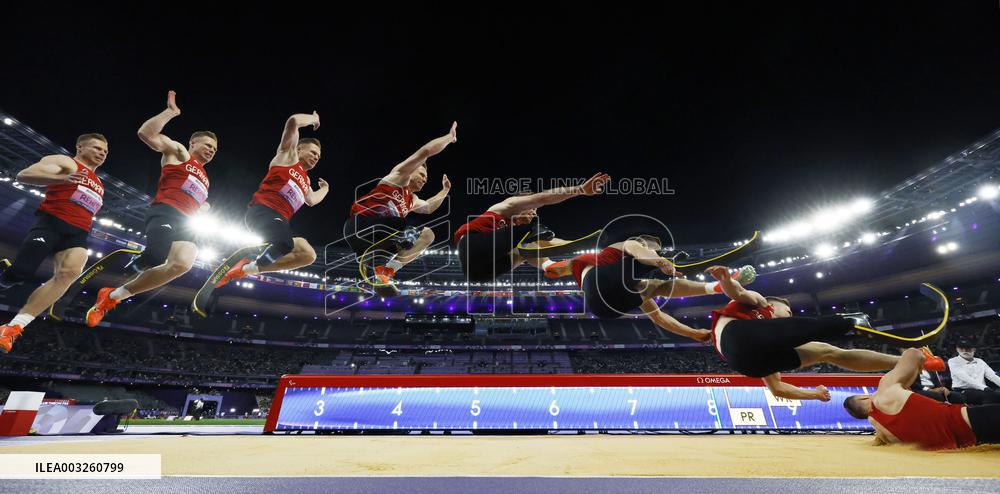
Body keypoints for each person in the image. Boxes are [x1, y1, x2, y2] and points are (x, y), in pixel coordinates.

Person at [700, 265, 944, 401]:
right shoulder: (762, 303)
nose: (790, 315)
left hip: (749, 363)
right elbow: (737, 293)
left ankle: (914, 359)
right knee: (810, 329)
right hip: (737, 336)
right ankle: (849, 321)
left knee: (828, 351)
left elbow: (778, 389)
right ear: (776, 305)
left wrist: (814, 395)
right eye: (789, 311)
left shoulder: (770, 338)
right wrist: (726, 280)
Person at [85, 91, 217, 327]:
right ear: (193, 143)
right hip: (166, 211)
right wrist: (171, 112)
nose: (211, 150)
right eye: (207, 145)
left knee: (182, 264)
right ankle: (131, 267)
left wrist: (204, 207)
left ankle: (112, 296)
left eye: (214, 149)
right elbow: (146, 133)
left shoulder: (206, 179)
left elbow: (194, 201)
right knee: (156, 256)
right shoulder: (179, 153)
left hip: (186, 222)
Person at [0, 134, 109, 352]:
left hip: (77, 233)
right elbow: (24, 175)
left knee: (69, 273)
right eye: (97, 148)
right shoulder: (67, 162)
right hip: (51, 223)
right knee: (21, 272)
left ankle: (13, 327)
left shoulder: (99, 184)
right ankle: (6, 276)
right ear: (80, 147)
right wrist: (61, 179)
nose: (102, 153)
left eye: (105, 152)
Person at [213, 112, 328, 287]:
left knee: (308, 255)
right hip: (263, 212)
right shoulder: (288, 157)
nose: (315, 157)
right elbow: (294, 121)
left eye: (318, 157)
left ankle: (244, 270)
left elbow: (311, 200)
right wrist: (314, 119)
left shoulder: (306, 180)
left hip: (280, 222)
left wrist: (325, 189)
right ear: (299, 149)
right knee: (283, 243)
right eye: (313, 152)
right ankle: (250, 262)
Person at [343, 123, 457, 295]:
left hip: (376, 239)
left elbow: (428, 208)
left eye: (426, 178)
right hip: (360, 226)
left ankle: (385, 271)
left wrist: (445, 190)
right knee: (410, 226)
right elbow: (425, 152)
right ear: (411, 171)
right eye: (422, 174)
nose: (425, 180)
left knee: (427, 235)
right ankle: (379, 261)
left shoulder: (412, 200)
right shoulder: (398, 177)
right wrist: (449, 138)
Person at [453, 172, 610, 283]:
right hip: (470, 247)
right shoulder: (507, 206)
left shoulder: (515, 233)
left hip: (478, 273)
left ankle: (549, 266)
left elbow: (545, 242)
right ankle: (548, 258)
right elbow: (543, 198)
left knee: (524, 250)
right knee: (533, 232)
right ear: (524, 203)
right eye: (533, 209)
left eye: (535, 211)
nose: (534, 213)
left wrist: (579, 243)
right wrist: (580, 190)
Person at [843, 348, 1000, 450]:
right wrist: (922, 357)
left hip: (974, 441)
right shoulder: (884, 392)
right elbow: (914, 354)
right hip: (973, 420)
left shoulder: (884, 435)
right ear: (864, 397)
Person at [947, 340, 1000, 405]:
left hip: (982, 390)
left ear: (974, 349)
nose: (964, 351)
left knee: (995, 396)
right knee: (988, 397)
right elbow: (965, 378)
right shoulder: (953, 361)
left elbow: (992, 376)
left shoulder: (980, 361)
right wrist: (984, 388)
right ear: (957, 349)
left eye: (967, 348)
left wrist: (985, 388)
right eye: (961, 348)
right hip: (962, 390)